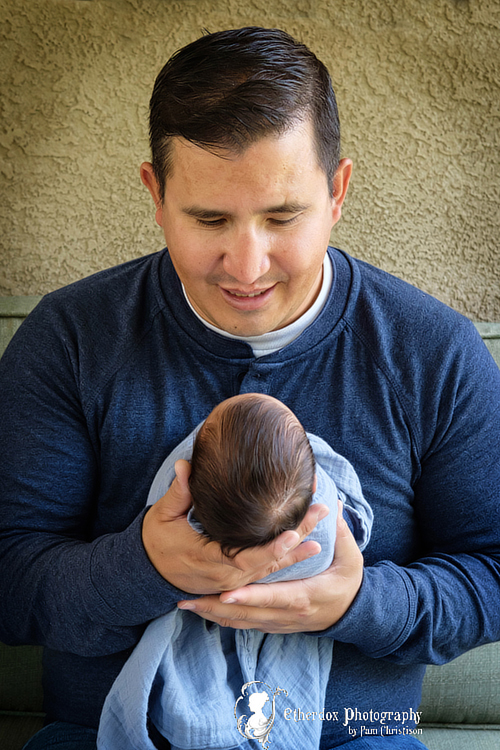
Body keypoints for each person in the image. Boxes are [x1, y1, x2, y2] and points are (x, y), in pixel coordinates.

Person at [0, 25, 499, 750]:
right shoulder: (71, 339)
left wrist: (358, 602)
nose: (247, 263)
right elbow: (9, 577)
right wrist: (144, 567)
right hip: (107, 736)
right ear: (156, 193)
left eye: (282, 216)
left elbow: (492, 569)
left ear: (338, 192)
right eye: (209, 219)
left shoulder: (434, 353)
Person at [97, 392, 372, 750]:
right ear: (316, 483)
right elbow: (352, 512)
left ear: (188, 478)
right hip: (304, 652)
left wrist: (356, 604)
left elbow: (161, 504)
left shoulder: (187, 487)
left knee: (194, 689)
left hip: (361, 735)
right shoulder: (321, 522)